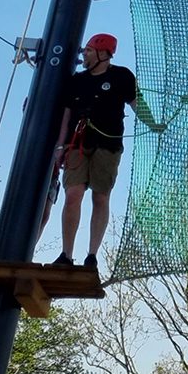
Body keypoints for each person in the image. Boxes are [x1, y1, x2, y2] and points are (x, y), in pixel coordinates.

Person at [50, 32, 157, 269]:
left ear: (102, 53)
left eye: (88, 50)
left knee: (100, 196)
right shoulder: (76, 81)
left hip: (108, 146)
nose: (84, 54)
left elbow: (137, 103)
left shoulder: (122, 76)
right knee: (73, 194)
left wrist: (153, 124)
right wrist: (60, 145)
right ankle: (66, 255)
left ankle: (91, 255)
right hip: (77, 144)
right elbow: (66, 116)